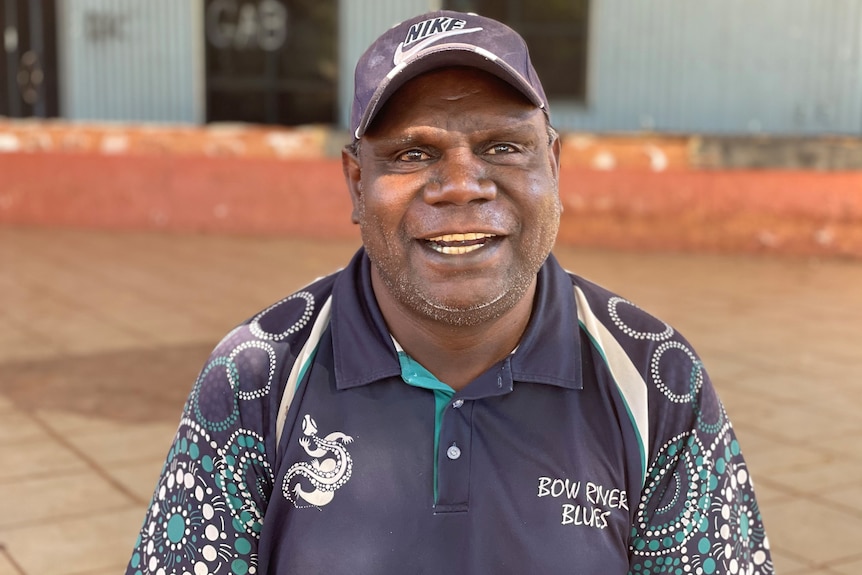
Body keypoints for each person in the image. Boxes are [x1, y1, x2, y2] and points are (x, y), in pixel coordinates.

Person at [126, 10, 772, 575]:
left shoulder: (657, 377)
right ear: (356, 183)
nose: (461, 185)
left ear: (553, 166)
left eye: (502, 146)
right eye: (412, 155)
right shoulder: (256, 376)